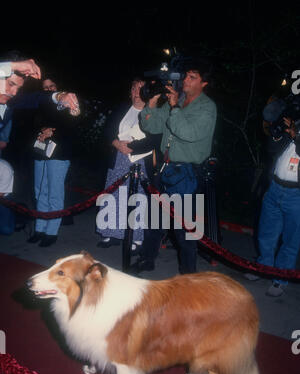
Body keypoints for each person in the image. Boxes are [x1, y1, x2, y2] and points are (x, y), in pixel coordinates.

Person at [131, 59, 217, 275]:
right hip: (165, 168)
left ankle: (189, 274)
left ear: (204, 83)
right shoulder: (175, 101)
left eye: (192, 77)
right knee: (155, 219)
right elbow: (151, 125)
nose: (185, 80)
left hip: (187, 172)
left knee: (184, 229)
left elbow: (187, 133)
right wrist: (151, 102)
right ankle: (146, 259)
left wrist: (175, 106)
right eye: (186, 76)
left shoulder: (206, 107)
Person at [96, 78, 161, 252]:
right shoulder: (122, 109)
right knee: (113, 194)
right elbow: (108, 130)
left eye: (140, 89)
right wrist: (116, 143)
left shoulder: (153, 111)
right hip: (118, 157)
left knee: (136, 198)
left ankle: (136, 238)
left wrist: (130, 147)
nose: (135, 93)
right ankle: (111, 232)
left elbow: (154, 139)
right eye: (133, 89)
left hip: (140, 159)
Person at [246, 114, 300, 297]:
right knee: (266, 234)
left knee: (291, 240)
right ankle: (263, 269)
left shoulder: (295, 132)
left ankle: (280, 279)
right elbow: (271, 150)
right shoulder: (292, 127)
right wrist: (276, 134)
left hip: (296, 195)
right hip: (275, 187)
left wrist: (296, 135)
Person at [27, 76, 80, 247]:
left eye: (52, 86)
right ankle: (40, 228)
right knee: (39, 192)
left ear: (59, 87)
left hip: (60, 154)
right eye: (46, 87)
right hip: (41, 152)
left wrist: (53, 132)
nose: (49, 89)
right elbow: (31, 125)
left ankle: (51, 232)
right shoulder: (40, 105)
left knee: (54, 194)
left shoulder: (68, 102)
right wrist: (42, 130)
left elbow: (73, 126)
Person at [0, 158, 15, 235]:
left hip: (4, 198)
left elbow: (1, 194)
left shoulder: (5, 169)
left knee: (6, 230)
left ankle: (12, 214)